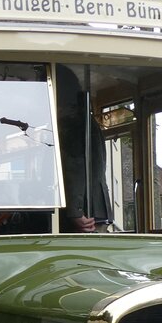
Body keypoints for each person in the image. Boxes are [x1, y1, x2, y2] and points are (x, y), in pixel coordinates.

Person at [55, 65, 112, 233]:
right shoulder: (87, 118)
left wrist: (75, 212)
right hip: (96, 207)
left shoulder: (71, 122)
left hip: (86, 212)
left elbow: (76, 166)